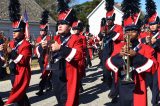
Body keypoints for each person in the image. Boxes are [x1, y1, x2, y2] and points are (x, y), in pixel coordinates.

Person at [106, 0, 157, 105]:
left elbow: (154, 67)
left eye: (132, 31)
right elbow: (108, 64)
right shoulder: (119, 46)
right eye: (127, 31)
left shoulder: (146, 48)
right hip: (123, 85)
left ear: (138, 33)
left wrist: (136, 56)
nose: (129, 34)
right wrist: (119, 56)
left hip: (138, 85)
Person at [47, 0, 83, 105]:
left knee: (68, 101)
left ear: (70, 26)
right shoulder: (54, 38)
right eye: (59, 23)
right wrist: (45, 48)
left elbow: (79, 55)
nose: (60, 26)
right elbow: (48, 57)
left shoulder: (76, 38)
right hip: (56, 74)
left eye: (63, 23)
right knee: (60, 100)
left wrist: (61, 48)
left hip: (69, 75)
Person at [4, 0, 32, 105]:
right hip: (13, 71)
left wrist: (11, 52)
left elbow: (23, 61)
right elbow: (7, 56)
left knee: (18, 95)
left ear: (22, 32)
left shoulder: (26, 44)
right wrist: (4, 50)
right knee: (20, 96)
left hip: (21, 72)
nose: (14, 33)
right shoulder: (11, 42)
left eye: (16, 31)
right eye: (13, 31)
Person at [138, 0, 160, 105]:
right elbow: (139, 42)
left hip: (158, 63)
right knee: (151, 83)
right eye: (150, 24)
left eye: (154, 24)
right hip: (148, 63)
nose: (152, 26)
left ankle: (154, 102)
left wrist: (157, 42)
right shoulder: (146, 35)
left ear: (158, 24)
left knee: (156, 84)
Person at [35, 10, 52, 96]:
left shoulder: (49, 38)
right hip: (40, 58)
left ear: (45, 31)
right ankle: (49, 85)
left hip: (47, 58)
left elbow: (50, 46)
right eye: (40, 31)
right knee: (44, 73)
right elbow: (36, 47)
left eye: (43, 31)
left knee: (45, 73)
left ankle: (41, 88)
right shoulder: (38, 38)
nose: (41, 32)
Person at [72, 20, 87, 92]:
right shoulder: (71, 37)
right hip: (72, 56)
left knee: (79, 72)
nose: (75, 30)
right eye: (74, 29)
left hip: (80, 56)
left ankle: (80, 85)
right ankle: (78, 86)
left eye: (76, 29)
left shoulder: (82, 37)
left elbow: (84, 47)